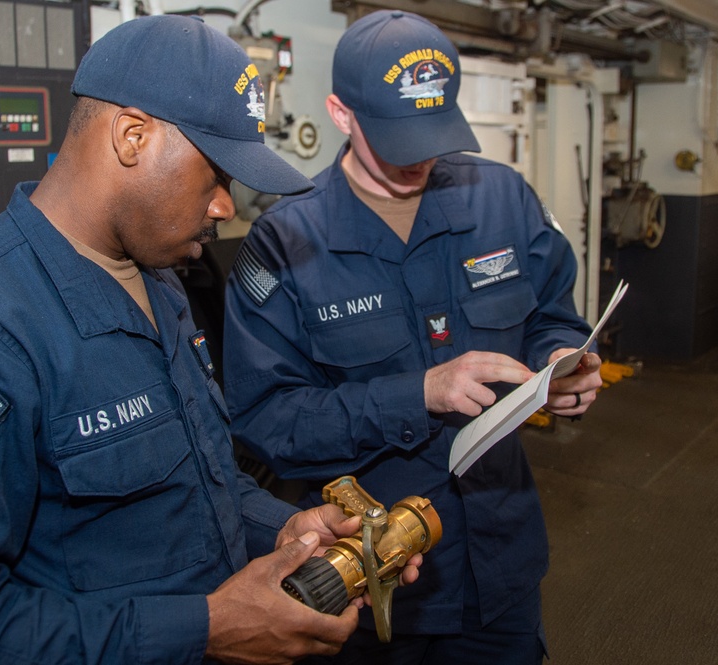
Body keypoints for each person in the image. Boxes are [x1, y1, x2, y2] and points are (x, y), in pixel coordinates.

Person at [0, 15, 420, 664]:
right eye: (217, 173)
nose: (226, 206)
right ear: (132, 137)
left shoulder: (159, 281)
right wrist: (206, 628)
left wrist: (278, 525)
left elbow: (196, 484)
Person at [221, 10, 603, 664]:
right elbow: (265, 418)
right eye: (398, 138)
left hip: (499, 563)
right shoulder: (287, 243)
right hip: (367, 585)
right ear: (341, 114)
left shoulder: (503, 199)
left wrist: (560, 358)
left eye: (434, 131)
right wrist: (418, 393)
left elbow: (551, 312)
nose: (420, 158)